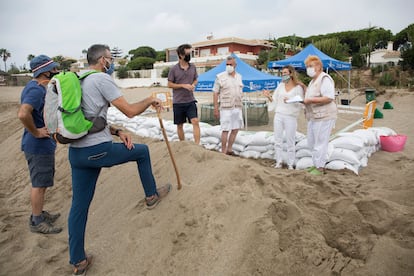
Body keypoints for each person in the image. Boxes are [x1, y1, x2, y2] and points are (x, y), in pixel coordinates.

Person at [67, 44, 171, 275]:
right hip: (97, 151)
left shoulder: (77, 80)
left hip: (76, 153)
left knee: (79, 207)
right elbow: (131, 111)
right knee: (142, 152)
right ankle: (151, 196)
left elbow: (89, 119)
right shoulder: (101, 79)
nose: (111, 62)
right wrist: (150, 100)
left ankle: (78, 261)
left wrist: (116, 131)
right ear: (103, 60)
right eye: (110, 59)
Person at [17, 55, 62, 234]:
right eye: (53, 68)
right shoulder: (36, 90)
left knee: (42, 182)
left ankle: (40, 213)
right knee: (39, 184)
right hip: (37, 146)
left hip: (41, 146)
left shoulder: (38, 87)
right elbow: (23, 114)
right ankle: (36, 221)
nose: (56, 71)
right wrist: (36, 131)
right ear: (45, 71)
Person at [263, 65, 304, 169]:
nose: (283, 75)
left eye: (285, 73)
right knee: (278, 140)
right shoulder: (280, 86)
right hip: (279, 114)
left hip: (291, 116)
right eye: (282, 73)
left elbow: (300, 102)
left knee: (290, 141)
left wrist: (291, 99)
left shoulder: (297, 87)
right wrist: (268, 96)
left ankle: (290, 164)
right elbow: (275, 100)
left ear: (291, 74)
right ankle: (279, 161)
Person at [303, 55, 337, 175]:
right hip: (313, 116)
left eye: (311, 66)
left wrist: (310, 100)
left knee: (320, 142)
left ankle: (320, 167)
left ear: (318, 66)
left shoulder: (325, 79)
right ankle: (315, 164)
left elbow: (328, 97)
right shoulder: (313, 81)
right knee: (312, 142)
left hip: (324, 115)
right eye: (307, 67)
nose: (308, 69)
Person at [168, 44, 200, 144]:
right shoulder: (174, 69)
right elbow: (169, 84)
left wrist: (193, 85)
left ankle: (197, 145)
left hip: (190, 100)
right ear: (181, 55)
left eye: (190, 53)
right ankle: (183, 144)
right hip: (178, 102)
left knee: (195, 121)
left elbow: (195, 79)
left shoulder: (193, 67)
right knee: (180, 125)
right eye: (187, 53)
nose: (189, 55)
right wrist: (183, 85)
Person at [213, 56, 244, 155]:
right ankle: (223, 151)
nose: (228, 66)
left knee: (235, 129)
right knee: (225, 129)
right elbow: (215, 93)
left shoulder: (239, 76)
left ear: (235, 65)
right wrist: (216, 108)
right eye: (227, 64)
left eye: (230, 64)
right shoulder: (220, 76)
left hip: (237, 106)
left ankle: (229, 149)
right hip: (226, 108)